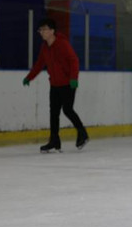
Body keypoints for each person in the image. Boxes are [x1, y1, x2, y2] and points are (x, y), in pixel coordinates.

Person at [23, 17, 89, 153]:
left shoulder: (62, 44)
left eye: (44, 29)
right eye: (40, 30)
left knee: (67, 109)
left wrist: (73, 79)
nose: (41, 32)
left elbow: (74, 60)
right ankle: (54, 140)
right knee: (54, 113)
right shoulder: (44, 47)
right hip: (55, 84)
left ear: (52, 31)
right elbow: (39, 64)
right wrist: (29, 77)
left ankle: (82, 133)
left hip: (68, 83)